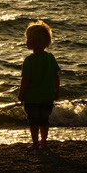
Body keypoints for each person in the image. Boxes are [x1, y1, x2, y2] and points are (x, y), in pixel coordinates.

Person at [18, 20, 60, 149]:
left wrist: (21, 94)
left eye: (27, 39)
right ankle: (44, 142)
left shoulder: (29, 60)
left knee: (33, 121)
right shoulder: (50, 58)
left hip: (32, 97)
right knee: (44, 120)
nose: (26, 41)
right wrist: (57, 91)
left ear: (32, 42)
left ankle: (35, 143)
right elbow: (56, 77)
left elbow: (25, 80)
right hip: (47, 95)